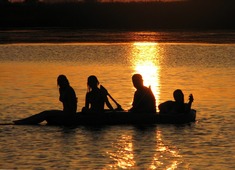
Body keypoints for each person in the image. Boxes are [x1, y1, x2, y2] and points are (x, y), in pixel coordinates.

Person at [13, 75, 77, 125]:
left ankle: (25, 122)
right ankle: (24, 121)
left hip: (69, 114)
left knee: (46, 113)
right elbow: (62, 99)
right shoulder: (62, 89)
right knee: (45, 113)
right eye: (59, 82)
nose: (60, 84)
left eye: (61, 82)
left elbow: (71, 104)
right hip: (64, 112)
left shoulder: (69, 90)